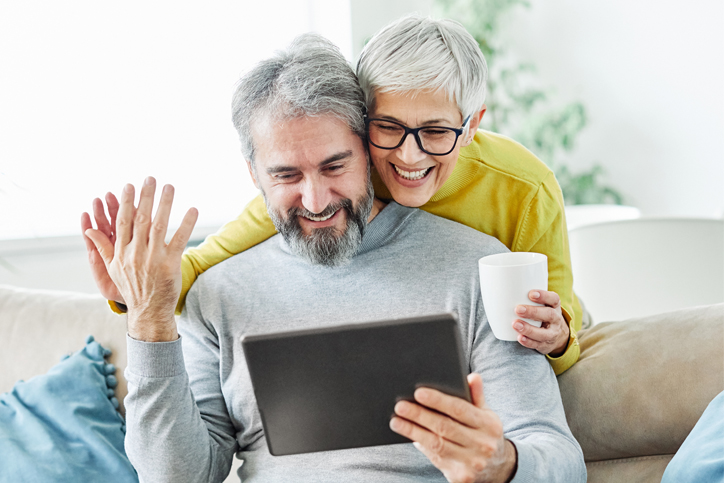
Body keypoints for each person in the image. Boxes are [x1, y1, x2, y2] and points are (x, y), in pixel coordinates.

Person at [83, 34, 586, 483]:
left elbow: (560, 460)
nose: (317, 200)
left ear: (366, 149)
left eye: (335, 165)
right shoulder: (215, 292)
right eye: (285, 176)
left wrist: (502, 464)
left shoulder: (479, 270)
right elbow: (177, 478)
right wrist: (149, 318)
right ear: (253, 175)